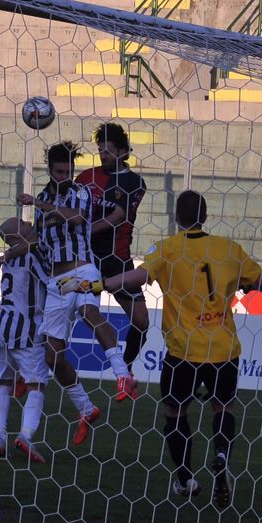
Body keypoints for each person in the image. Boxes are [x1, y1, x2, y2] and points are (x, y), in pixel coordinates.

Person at [68, 190, 262, 506]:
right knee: (223, 408)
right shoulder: (229, 249)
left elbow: (137, 277)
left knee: (174, 413)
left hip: (183, 353)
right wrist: (243, 282)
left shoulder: (167, 249)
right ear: (205, 217)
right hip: (223, 351)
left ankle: (184, 478)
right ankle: (220, 456)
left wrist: (99, 285)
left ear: (176, 217)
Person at [16, 141, 130, 446]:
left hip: (82, 271)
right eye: (60, 171)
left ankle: (122, 374)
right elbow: (40, 240)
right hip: (57, 282)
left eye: (69, 170)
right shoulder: (42, 196)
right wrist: (10, 254)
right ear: (50, 170)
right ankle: (86, 408)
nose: (65, 175)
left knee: (90, 313)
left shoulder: (78, 191)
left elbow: (78, 218)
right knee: (53, 356)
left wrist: (38, 205)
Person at [76, 122, 151, 367]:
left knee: (141, 322)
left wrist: (84, 230)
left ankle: (125, 367)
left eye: (108, 150)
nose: (103, 155)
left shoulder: (134, 183)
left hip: (117, 260)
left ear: (122, 151)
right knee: (68, 313)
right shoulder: (87, 177)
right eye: (100, 150)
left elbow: (118, 217)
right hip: (85, 259)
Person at [0, 218, 53, 461]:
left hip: (2, 328)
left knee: (3, 383)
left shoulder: (8, 260)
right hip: (27, 331)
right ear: (17, 237)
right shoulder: (30, 257)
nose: (28, 222)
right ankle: (25, 435)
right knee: (37, 385)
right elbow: (50, 282)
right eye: (22, 223)